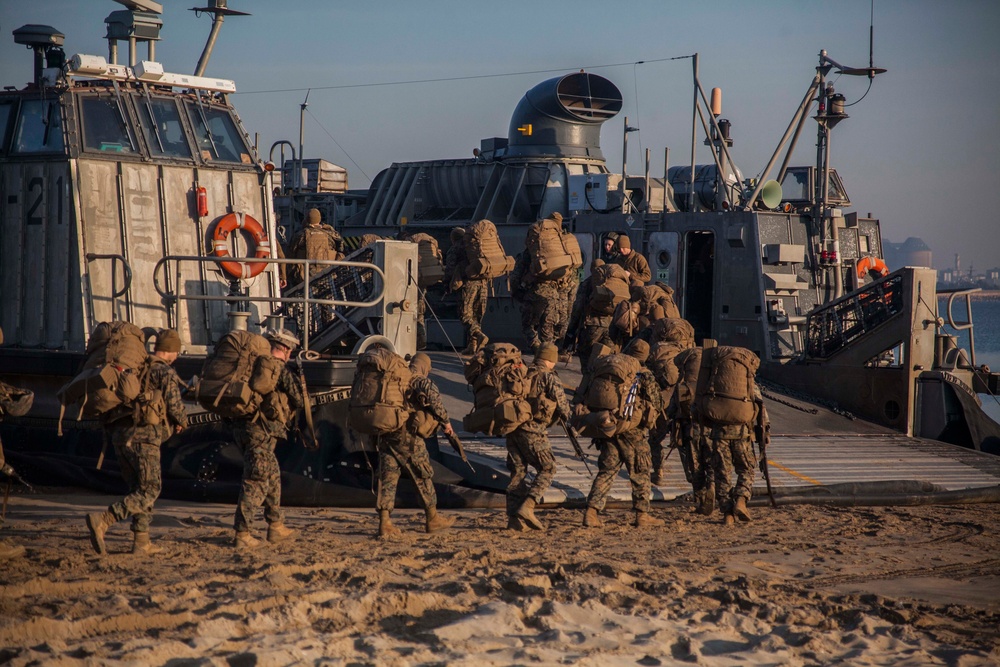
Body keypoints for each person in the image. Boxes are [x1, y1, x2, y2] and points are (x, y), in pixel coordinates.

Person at [86, 329, 188, 555]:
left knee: (138, 488)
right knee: (150, 489)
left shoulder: (137, 367)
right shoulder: (164, 371)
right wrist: (181, 421)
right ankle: (104, 519)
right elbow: (174, 404)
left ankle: (141, 541)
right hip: (144, 435)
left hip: (120, 434)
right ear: (173, 351)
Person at [582, 338, 665, 529]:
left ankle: (591, 512)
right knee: (640, 471)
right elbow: (657, 403)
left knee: (607, 470)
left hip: (608, 425)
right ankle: (642, 515)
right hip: (632, 429)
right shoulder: (643, 373)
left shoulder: (608, 365)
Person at [232, 329, 304, 548]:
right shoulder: (277, 368)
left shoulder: (249, 365)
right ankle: (242, 534)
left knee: (272, 477)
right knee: (256, 481)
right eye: (290, 350)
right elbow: (298, 399)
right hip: (261, 431)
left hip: (243, 428)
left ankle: (276, 526)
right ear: (285, 349)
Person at [376, 353, 456, 538]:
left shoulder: (395, 377)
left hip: (386, 432)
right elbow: (436, 403)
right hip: (408, 437)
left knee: (387, 476)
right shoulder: (420, 380)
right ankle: (432, 518)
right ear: (425, 367)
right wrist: (446, 423)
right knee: (422, 474)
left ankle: (384, 521)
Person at [506, 344, 572, 532]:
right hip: (533, 430)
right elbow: (564, 408)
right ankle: (528, 506)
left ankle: (513, 520)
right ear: (551, 359)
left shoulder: (522, 371)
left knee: (518, 472)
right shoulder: (548, 376)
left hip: (513, 428)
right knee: (548, 467)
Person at [445, 226, 489, 354]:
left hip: (468, 284)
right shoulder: (477, 247)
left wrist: (446, 284)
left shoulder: (455, 248)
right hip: (483, 283)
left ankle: (479, 335)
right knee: (476, 315)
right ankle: (473, 346)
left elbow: (450, 269)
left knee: (465, 315)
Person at [287, 208, 343, 286]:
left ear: (307, 219)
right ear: (319, 219)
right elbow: (341, 249)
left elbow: (291, 252)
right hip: (328, 275)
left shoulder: (300, 235)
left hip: (304, 278)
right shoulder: (331, 234)